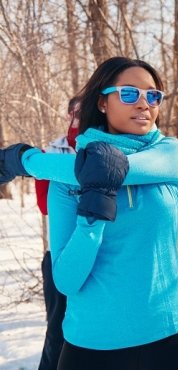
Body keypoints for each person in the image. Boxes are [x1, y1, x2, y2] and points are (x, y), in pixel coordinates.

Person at [0, 56, 178, 370]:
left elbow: (109, 167)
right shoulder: (65, 184)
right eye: (129, 93)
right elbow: (66, 280)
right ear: (102, 102)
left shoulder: (171, 153)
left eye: (153, 95)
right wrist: (91, 221)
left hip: (168, 337)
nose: (144, 103)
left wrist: (26, 160)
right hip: (91, 344)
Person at [35, 96, 80, 370]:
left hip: (100, 256)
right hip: (59, 256)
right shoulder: (51, 153)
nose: (80, 118)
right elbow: (44, 206)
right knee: (57, 329)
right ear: (68, 115)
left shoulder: (106, 148)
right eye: (75, 112)